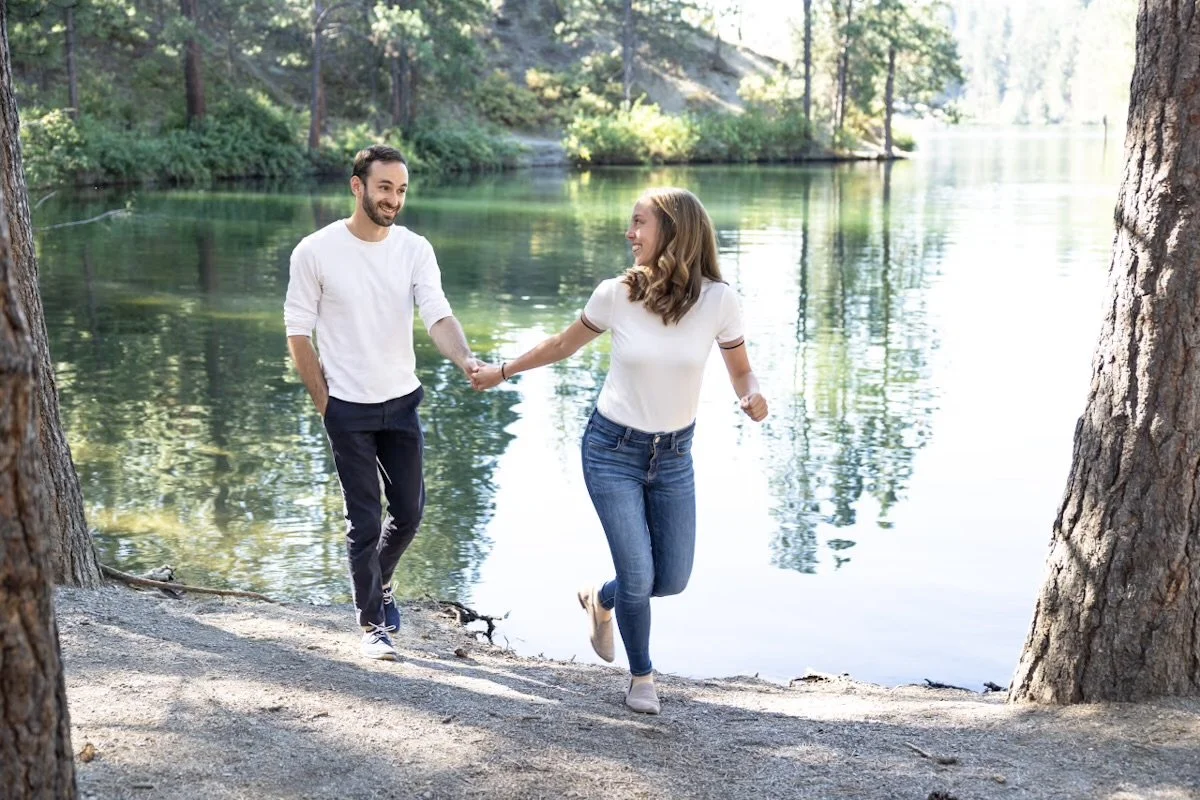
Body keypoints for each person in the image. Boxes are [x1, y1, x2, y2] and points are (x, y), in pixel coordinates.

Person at [471, 187, 768, 714]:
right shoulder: (617, 293)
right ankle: (642, 678)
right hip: (612, 449)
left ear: (674, 233)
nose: (629, 234)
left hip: (674, 456)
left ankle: (599, 599)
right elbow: (562, 345)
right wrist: (502, 370)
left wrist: (750, 394)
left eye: (639, 224)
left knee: (670, 579)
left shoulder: (719, 300)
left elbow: (739, 368)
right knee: (639, 574)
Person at [284, 144, 481, 661]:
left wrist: (465, 359)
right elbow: (298, 332)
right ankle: (372, 624)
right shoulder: (315, 251)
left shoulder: (414, 249)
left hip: (401, 402)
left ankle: (382, 582)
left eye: (401, 190)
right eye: (384, 188)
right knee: (365, 521)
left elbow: (437, 313)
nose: (394, 199)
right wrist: (325, 403)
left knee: (411, 514)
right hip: (346, 408)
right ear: (358, 187)